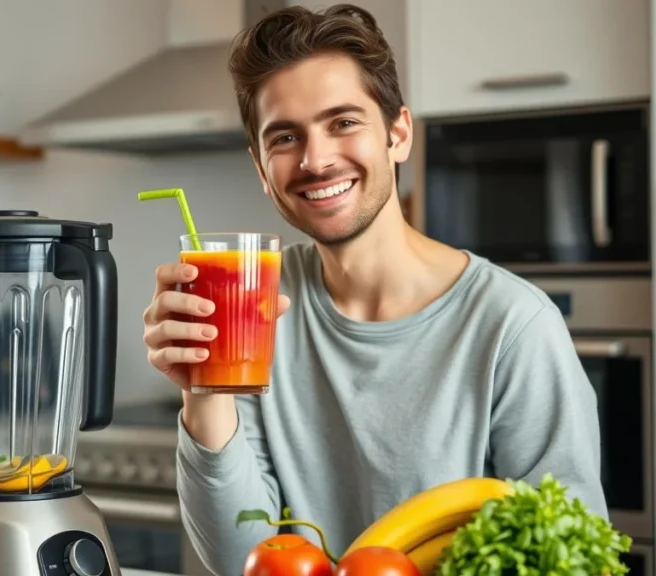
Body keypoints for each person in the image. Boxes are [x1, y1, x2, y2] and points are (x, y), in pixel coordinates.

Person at [141, 4, 607, 575]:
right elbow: (241, 561)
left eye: (343, 122)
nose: (315, 159)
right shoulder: (253, 308)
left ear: (398, 134)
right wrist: (204, 390)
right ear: (262, 170)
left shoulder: (512, 326)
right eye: (285, 137)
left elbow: (571, 554)